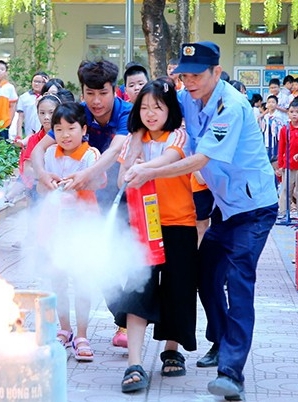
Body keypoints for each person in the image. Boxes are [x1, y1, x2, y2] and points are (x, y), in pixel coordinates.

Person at [123, 42, 278, 401]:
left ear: (216, 73)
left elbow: (198, 159)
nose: (188, 82)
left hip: (254, 211)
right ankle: (221, 341)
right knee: (205, 277)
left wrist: (147, 169)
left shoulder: (232, 108)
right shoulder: (189, 100)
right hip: (226, 208)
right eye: (184, 75)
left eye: (196, 75)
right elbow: (159, 117)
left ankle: (232, 372)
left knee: (238, 283)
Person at [30, 59, 133, 348]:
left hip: (119, 193)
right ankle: (119, 323)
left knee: (119, 260)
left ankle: (124, 322)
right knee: (88, 265)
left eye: (103, 93)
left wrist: (85, 174)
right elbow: (39, 150)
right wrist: (43, 176)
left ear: (116, 90)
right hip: (81, 202)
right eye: (90, 93)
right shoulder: (76, 115)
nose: (96, 101)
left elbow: (115, 151)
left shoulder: (126, 113)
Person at [116, 79, 198, 393]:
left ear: (170, 110)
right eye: (145, 107)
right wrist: (135, 145)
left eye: (158, 107)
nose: (150, 114)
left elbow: (170, 160)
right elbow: (124, 177)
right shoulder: (133, 139)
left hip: (179, 223)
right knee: (138, 289)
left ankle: (171, 349)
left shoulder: (179, 135)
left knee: (178, 289)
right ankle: (134, 364)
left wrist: (145, 166)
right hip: (143, 226)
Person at [39, 102, 106, 362]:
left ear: (84, 129)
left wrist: (77, 185)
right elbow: (42, 190)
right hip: (56, 225)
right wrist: (50, 185)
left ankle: (81, 334)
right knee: (58, 280)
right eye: (59, 129)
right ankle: (64, 329)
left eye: (71, 128)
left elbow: (100, 182)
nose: (65, 134)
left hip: (82, 225)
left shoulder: (91, 155)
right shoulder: (49, 156)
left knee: (81, 280)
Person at [276, 100, 298, 218]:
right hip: (288, 164)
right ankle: (284, 212)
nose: (294, 114)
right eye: (292, 112)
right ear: (288, 113)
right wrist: (280, 165)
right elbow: (281, 148)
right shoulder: (285, 129)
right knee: (286, 190)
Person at [15, 71, 48, 139]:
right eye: (35, 81)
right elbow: (20, 117)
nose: (36, 84)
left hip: (46, 133)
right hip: (29, 134)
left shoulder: (49, 97)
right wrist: (19, 134)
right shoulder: (24, 97)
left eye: (40, 82)